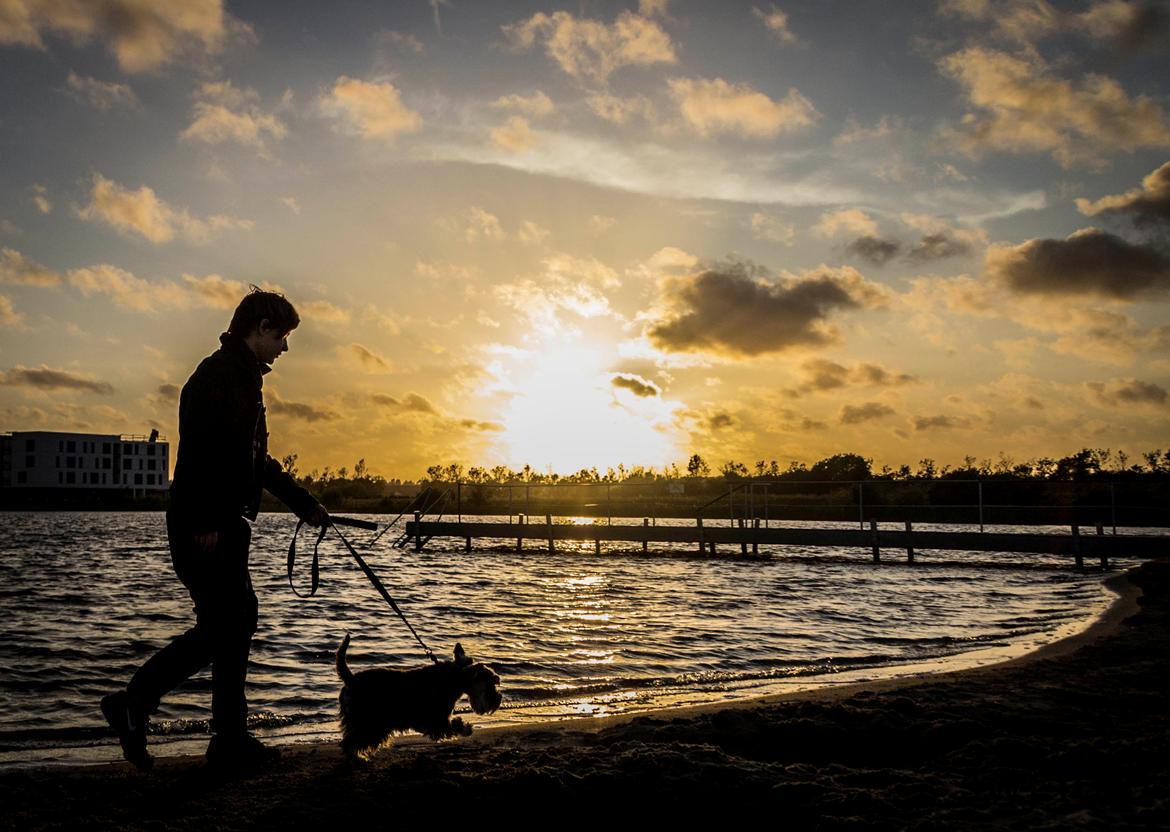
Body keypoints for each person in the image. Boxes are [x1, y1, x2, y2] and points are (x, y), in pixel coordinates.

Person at [101, 289, 328, 770]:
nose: (284, 348)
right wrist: (205, 520)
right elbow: (202, 453)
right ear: (262, 328)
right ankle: (139, 702)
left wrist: (304, 505)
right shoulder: (219, 377)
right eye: (283, 337)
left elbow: (254, 460)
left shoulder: (243, 378)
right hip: (205, 526)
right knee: (228, 626)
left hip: (222, 523)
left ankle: (225, 738)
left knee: (234, 624)